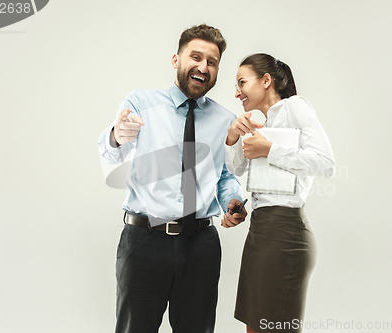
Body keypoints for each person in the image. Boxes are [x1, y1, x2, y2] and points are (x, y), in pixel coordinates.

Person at [98, 24, 247, 333]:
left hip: (201, 246)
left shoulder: (225, 120)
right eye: (196, 56)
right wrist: (117, 135)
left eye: (212, 62)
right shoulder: (141, 103)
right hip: (143, 241)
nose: (203, 67)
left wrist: (232, 201)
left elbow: (223, 175)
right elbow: (112, 150)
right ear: (176, 60)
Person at [222, 53, 336, 333]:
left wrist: (270, 150)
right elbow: (236, 169)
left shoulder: (295, 107)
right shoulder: (264, 123)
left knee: (276, 328)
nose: (237, 93)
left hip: (286, 233)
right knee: (254, 328)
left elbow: (326, 164)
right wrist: (233, 137)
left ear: (266, 80)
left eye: (242, 82)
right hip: (260, 231)